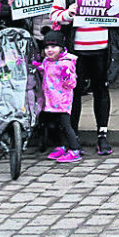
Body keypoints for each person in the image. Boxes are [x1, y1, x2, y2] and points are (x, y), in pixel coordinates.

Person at [51, 0, 119, 155]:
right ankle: (73, 136)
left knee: (101, 90)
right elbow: (54, 15)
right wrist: (68, 13)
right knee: (74, 92)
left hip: (102, 49)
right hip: (76, 50)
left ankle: (102, 135)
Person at [35, 35, 82, 163]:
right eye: (47, 47)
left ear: (61, 48)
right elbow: (44, 72)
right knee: (52, 125)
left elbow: (72, 84)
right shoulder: (47, 61)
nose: (50, 50)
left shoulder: (66, 63)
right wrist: (37, 67)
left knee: (66, 125)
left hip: (62, 101)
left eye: (54, 47)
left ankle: (75, 149)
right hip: (49, 100)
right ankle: (60, 145)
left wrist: (67, 77)